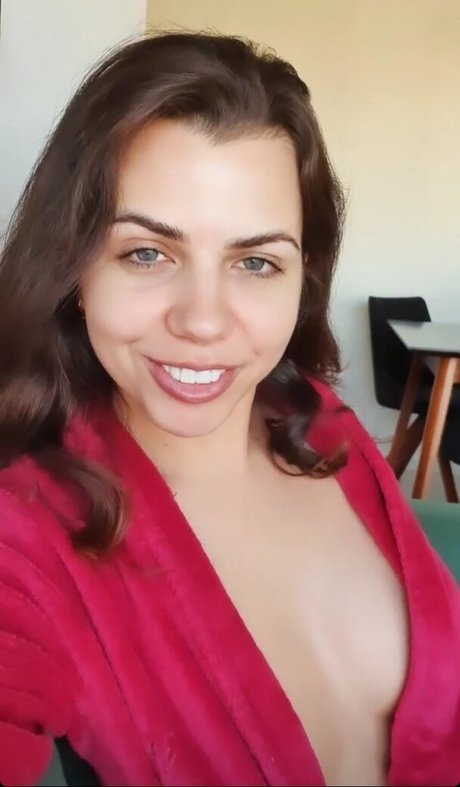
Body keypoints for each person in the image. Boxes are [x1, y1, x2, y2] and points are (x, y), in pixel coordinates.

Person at [0, 31, 458, 787]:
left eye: (255, 261)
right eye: (147, 253)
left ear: (302, 278)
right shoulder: (24, 542)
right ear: (74, 267)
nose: (204, 322)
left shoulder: (318, 420)